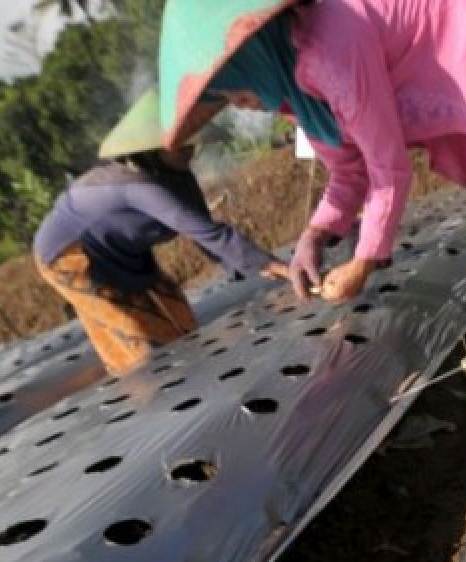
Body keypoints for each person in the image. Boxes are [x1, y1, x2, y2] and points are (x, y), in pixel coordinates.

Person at [158, 0, 466, 393]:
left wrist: (363, 261)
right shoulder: (299, 94)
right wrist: (315, 235)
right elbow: (347, 172)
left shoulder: (331, 49)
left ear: (252, 56)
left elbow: (389, 169)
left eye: (235, 90)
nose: (240, 105)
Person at [33, 89, 288, 376]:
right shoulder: (135, 186)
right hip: (71, 256)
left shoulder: (177, 176)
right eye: (181, 145)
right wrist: (274, 265)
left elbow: (201, 228)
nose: (190, 151)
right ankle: (149, 395)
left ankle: (195, 375)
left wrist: (248, 270)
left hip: (125, 252)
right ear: (153, 149)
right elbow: (212, 234)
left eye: (192, 144)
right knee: (138, 339)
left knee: (178, 318)